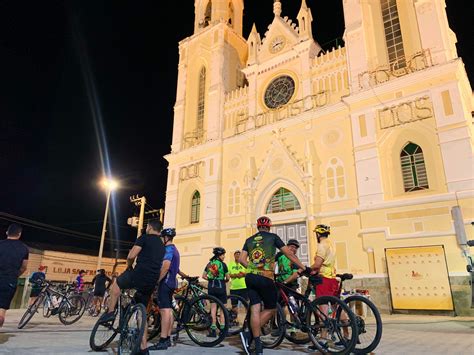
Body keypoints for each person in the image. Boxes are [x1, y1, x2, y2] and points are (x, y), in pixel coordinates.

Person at [238, 216, 310, 355]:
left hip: (250, 277)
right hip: (265, 277)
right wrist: (303, 267)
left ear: (258, 226)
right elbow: (289, 253)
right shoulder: (273, 237)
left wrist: (252, 268)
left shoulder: (249, 240)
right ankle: (249, 335)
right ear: (269, 226)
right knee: (271, 308)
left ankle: (257, 345)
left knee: (255, 308)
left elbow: (241, 259)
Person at [102, 220, 165, 355]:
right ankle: (144, 348)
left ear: (149, 227)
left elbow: (131, 255)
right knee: (142, 313)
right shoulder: (162, 245)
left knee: (116, 285)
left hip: (138, 274)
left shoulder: (144, 238)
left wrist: (129, 265)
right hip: (151, 280)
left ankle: (110, 313)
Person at [308, 224, 338, 351]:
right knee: (337, 307)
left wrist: (307, 269)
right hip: (333, 278)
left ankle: (323, 339)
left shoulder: (321, 245)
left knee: (323, 309)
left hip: (324, 278)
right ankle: (347, 336)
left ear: (318, 234)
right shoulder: (331, 244)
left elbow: (318, 264)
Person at [149, 228, 180, 351]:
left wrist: (156, 281)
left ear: (166, 238)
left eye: (162, 238)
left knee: (165, 310)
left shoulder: (168, 249)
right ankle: (166, 338)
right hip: (172, 283)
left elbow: (166, 266)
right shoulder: (175, 250)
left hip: (165, 282)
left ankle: (163, 340)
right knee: (169, 310)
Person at [0, 223, 29, 327]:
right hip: (10, 281)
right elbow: (24, 267)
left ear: (7, 232)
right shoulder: (24, 249)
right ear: (19, 234)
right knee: (1, 310)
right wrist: (15, 275)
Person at [202, 247, 230, 337]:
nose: (224, 257)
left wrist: (210, 279)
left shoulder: (210, 264)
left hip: (212, 287)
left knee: (213, 309)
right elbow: (228, 277)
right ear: (219, 255)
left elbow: (203, 276)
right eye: (223, 255)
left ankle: (213, 330)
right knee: (222, 309)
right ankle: (222, 330)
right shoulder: (223, 265)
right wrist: (223, 281)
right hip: (221, 286)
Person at [228, 250, 248, 320]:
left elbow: (249, 273)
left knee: (246, 305)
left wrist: (243, 274)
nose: (238, 256)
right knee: (234, 306)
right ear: (234, 256)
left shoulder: (244, 263)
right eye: (236, 255)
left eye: (239, 255)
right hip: (234, 288)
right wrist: (235, 275)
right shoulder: (230, 264)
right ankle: (234, 320)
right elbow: (228, 274)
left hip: (244, 287)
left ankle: (247, 320)